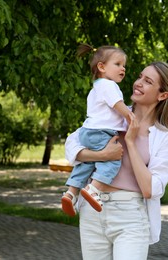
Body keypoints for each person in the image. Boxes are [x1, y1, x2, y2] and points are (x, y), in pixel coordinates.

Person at [65, 61, 168, 260]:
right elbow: (72, 144)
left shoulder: (165, 137)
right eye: (139, 77)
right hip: (93, 211)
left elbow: (150, 189)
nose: (138, 83)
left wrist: (130, 141)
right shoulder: (111, 113)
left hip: (130, 216)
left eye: (147, 81)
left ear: (162, 95)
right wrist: (102, 156)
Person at [61, 44, 135, 217]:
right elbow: (119, 106)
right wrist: (131, 117)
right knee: (112, 161)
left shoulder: (97, 87)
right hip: (102, 132)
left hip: (87, 132)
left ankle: (71, 193)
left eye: (124, 65)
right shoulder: (109, 86)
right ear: (102, 67)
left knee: (86, 164)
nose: (122, 68)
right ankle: (94, 189)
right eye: (117, 64)